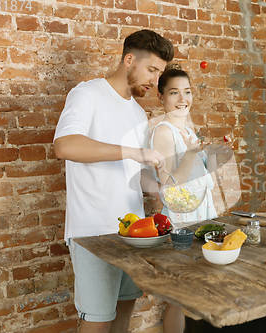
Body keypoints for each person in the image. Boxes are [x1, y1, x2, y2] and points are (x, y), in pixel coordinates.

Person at [53, 29, 174, 333]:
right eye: (151, 70)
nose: (155, 81)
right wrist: (133, 151)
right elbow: (64, 146)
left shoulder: (135, 112)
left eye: (160, 74)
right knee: (98, 322)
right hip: (94, 234)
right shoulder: (88, 94)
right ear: (129, 59)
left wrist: (162, 190)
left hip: (133, 233)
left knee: (122, 318)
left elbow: (134, 176)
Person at [151, 65, 232, 333]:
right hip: (181, 221)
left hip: (203, 215)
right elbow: (169, 186)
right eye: (174, 92)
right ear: (161, 97)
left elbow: (205, 177)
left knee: (205, 288)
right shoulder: (163, 132)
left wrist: (218, 153)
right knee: (180, 295)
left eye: (187, 91)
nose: (182, 98)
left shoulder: (189, 127)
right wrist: (190, 154)